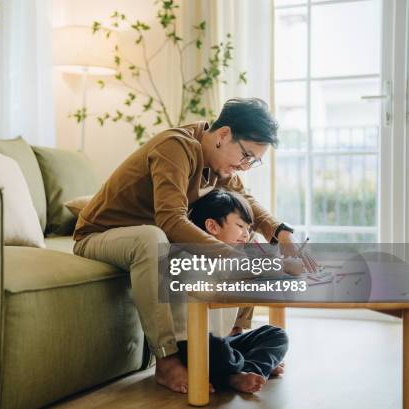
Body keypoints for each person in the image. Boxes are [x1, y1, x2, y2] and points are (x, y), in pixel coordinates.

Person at [73, 98, 313, 394]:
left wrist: (281, 234)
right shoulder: (175, 147)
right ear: (224, 135)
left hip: (146, 237)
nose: (245, 166)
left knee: (243, 238)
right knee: (155, 238)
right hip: (100, 235)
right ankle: (167, 359)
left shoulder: (219, 164)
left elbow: (246, 201)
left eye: (254, 161)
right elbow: (171, 220)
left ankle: (234, 343)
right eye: (246, 155)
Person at [179, 188, 289, 393]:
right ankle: (235, 375)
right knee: (217, 349)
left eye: (248, 228)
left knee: (277, 335)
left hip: (224, 341)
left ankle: (245, 371)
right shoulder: (190, 257)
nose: (246, 234)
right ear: (212, 226)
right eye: (240, 226)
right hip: (194, 343)